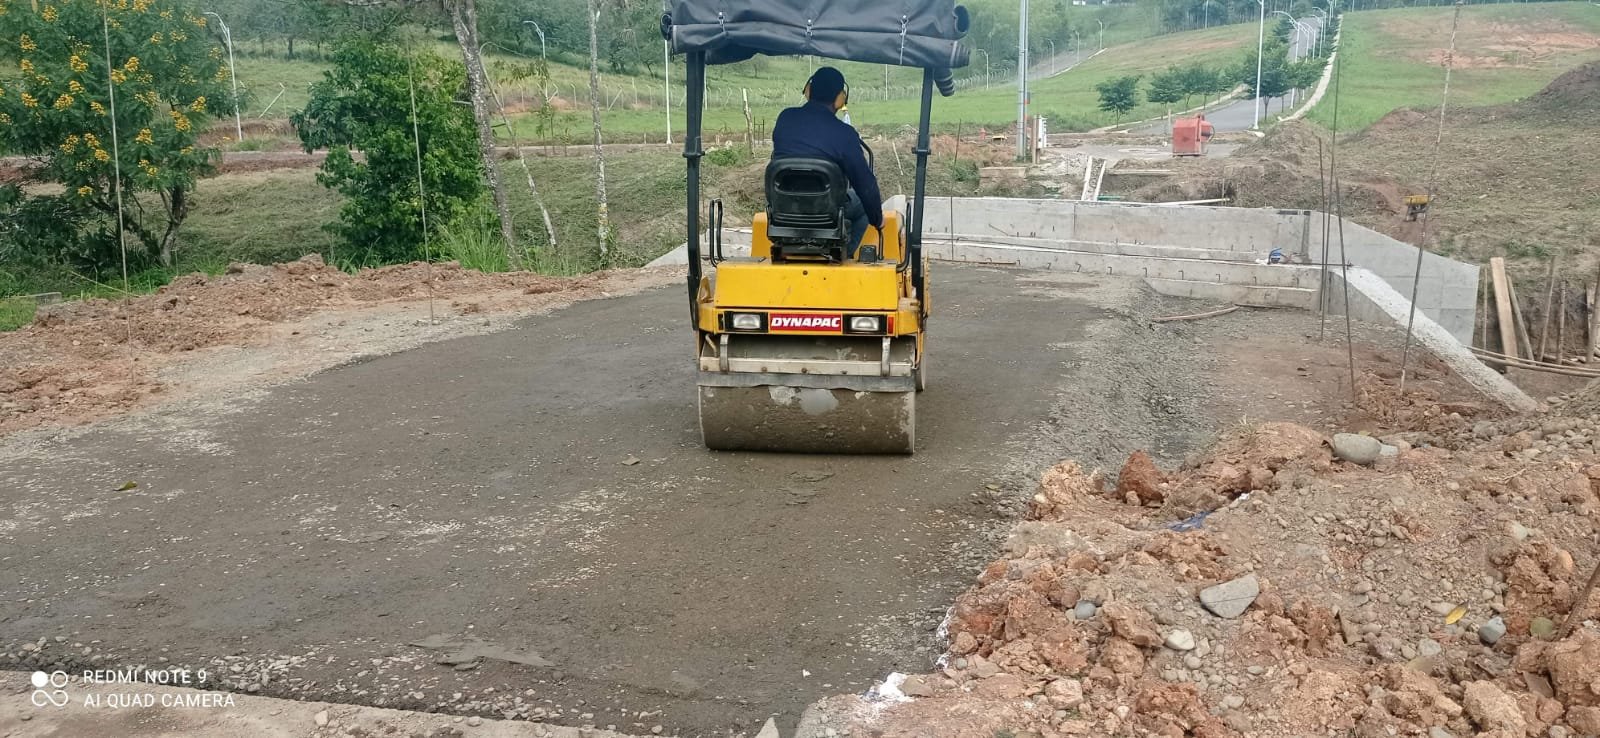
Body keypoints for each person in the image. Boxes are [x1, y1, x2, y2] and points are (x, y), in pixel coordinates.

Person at [771, 66, 882, 258]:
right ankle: (844, 255)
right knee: (864, 205)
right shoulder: (845, 134)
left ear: (809, 91)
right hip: (827, 213)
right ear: (840, 99)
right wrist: (878, 219)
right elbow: (865, 184)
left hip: (785, 209)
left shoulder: (785, 118)